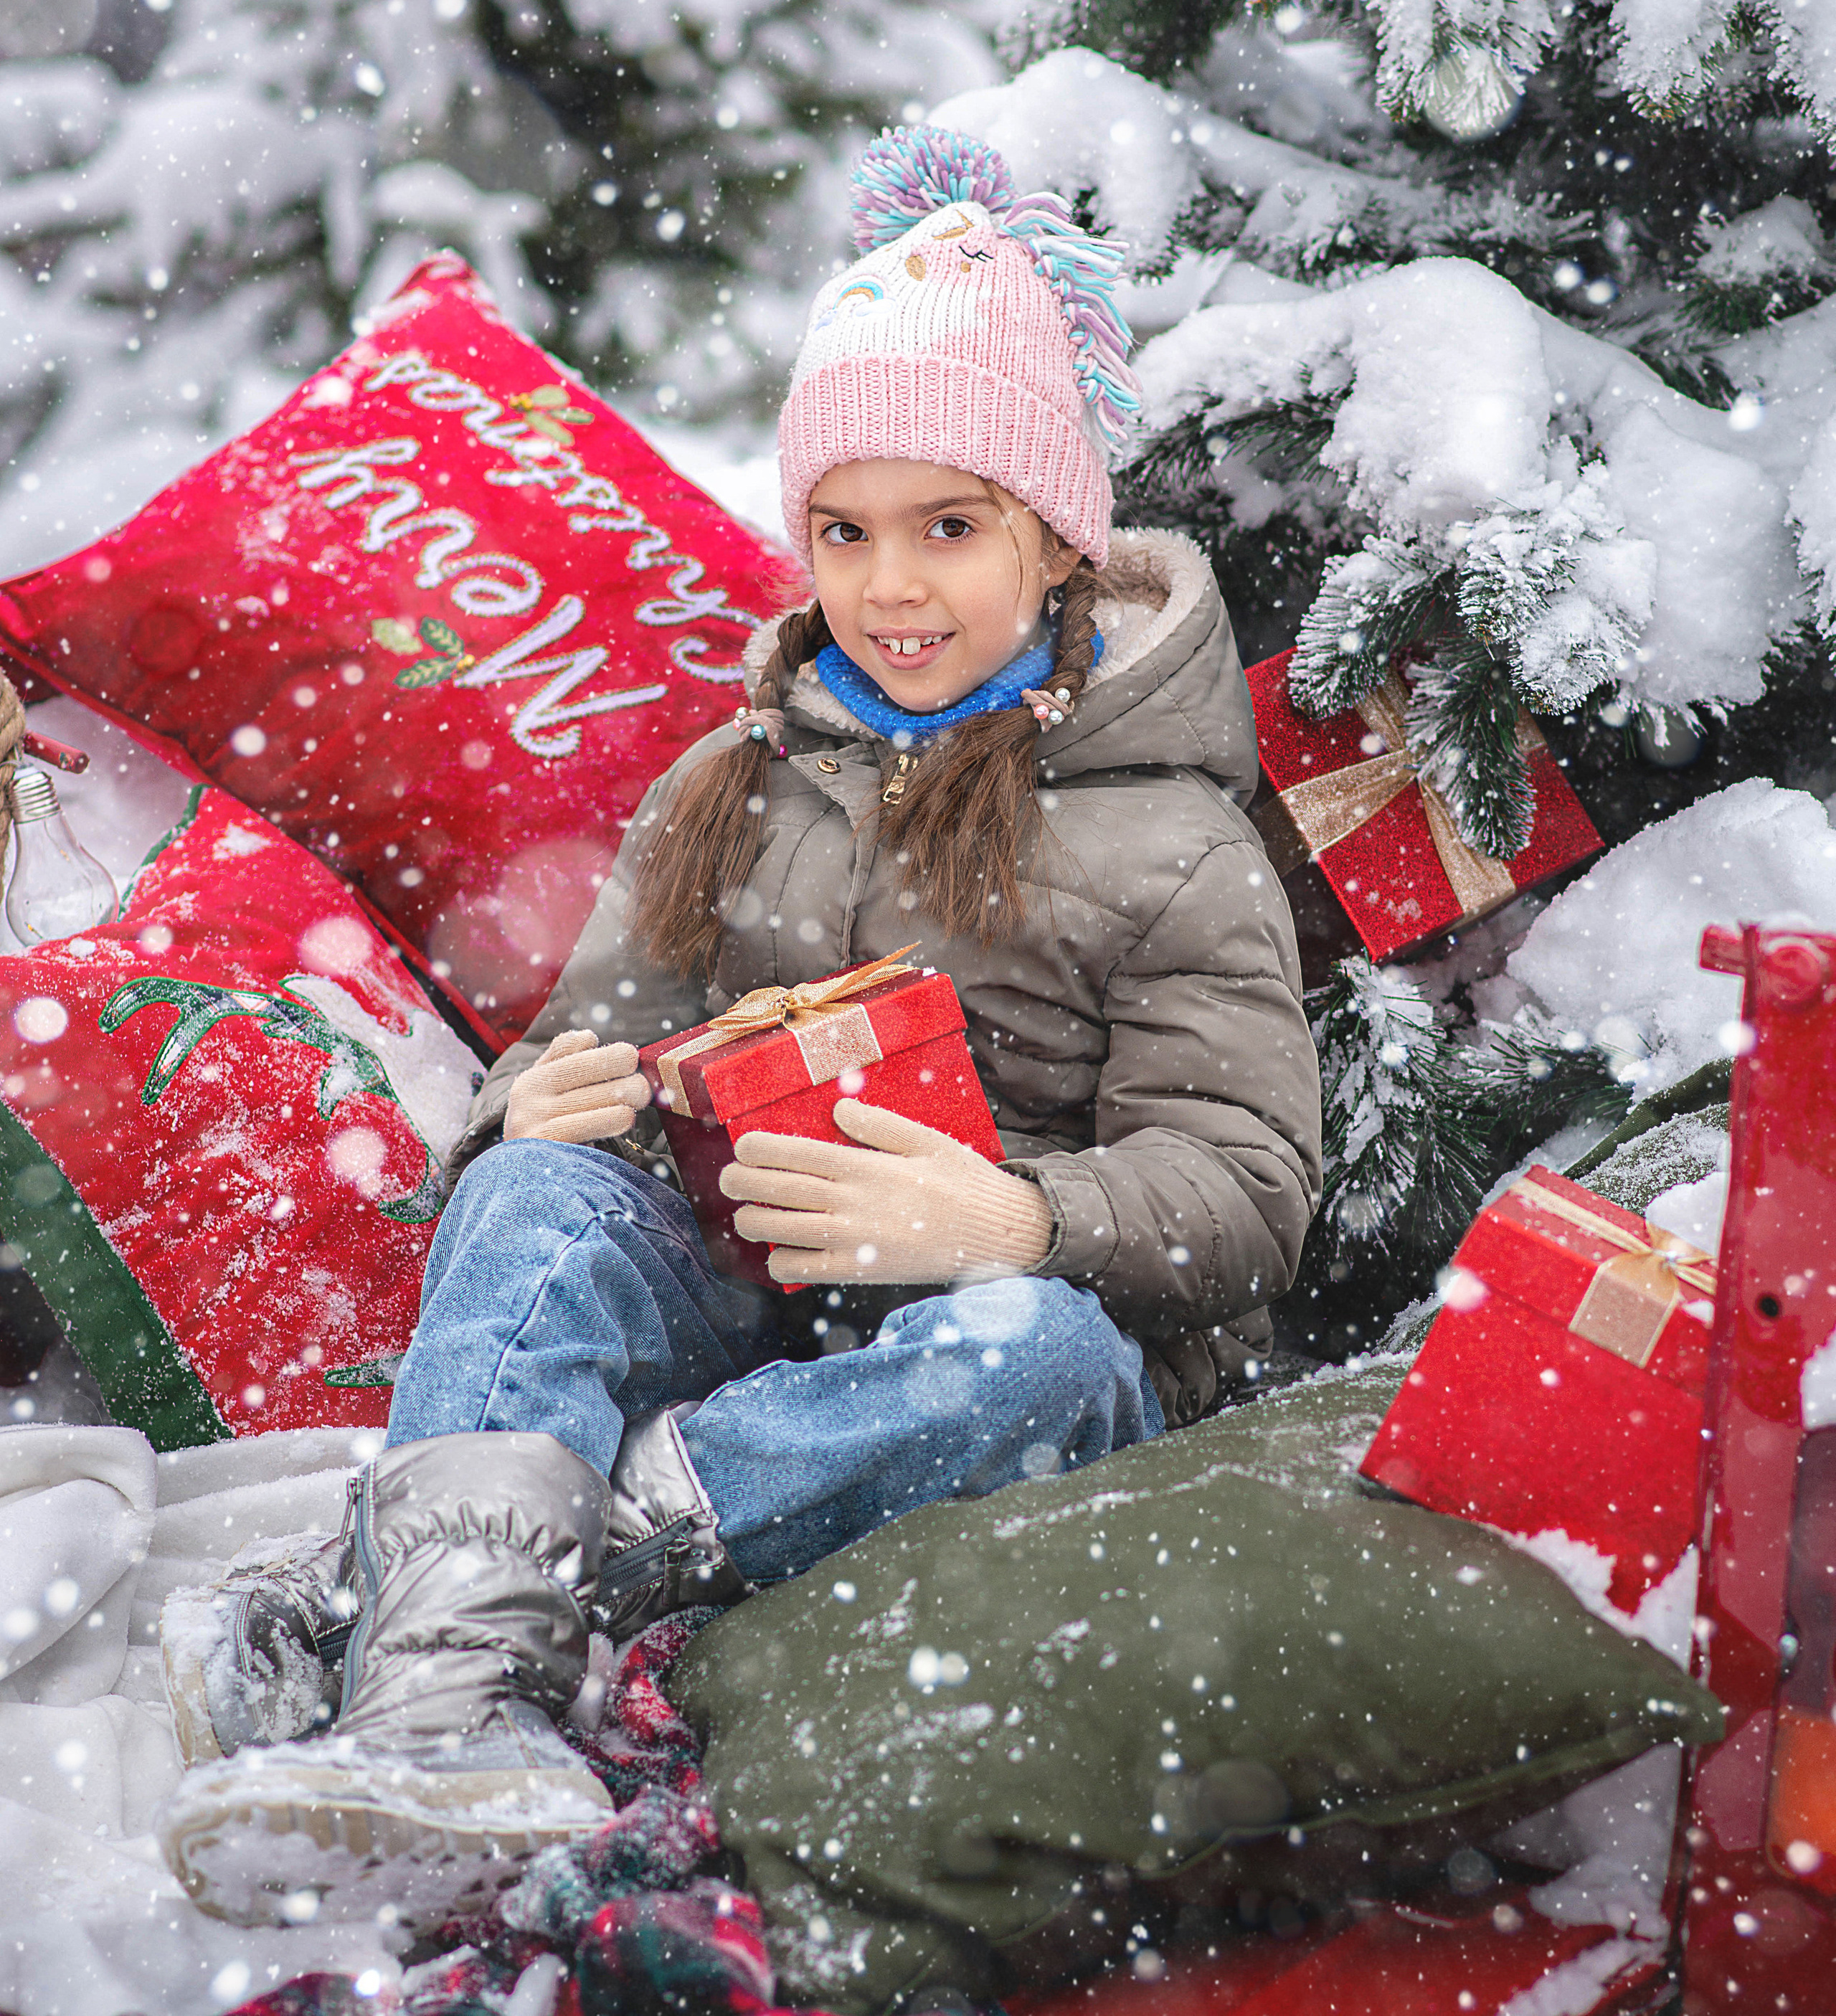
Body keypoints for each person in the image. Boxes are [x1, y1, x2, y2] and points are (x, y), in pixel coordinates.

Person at [157, 127, 1322, 1926]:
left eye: (952, 527)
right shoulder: (732, 781)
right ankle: (446, 1718)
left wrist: (1012, 1216)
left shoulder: (1167, 835)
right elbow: (594, 1035)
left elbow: (1248, 1186)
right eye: (844, 533)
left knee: (1033, 1351)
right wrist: (540, 1105)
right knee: (534, 1202)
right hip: (740, 1279)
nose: (892, 584)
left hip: (984, 1341)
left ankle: (464, 1571)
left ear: (1056, 538)